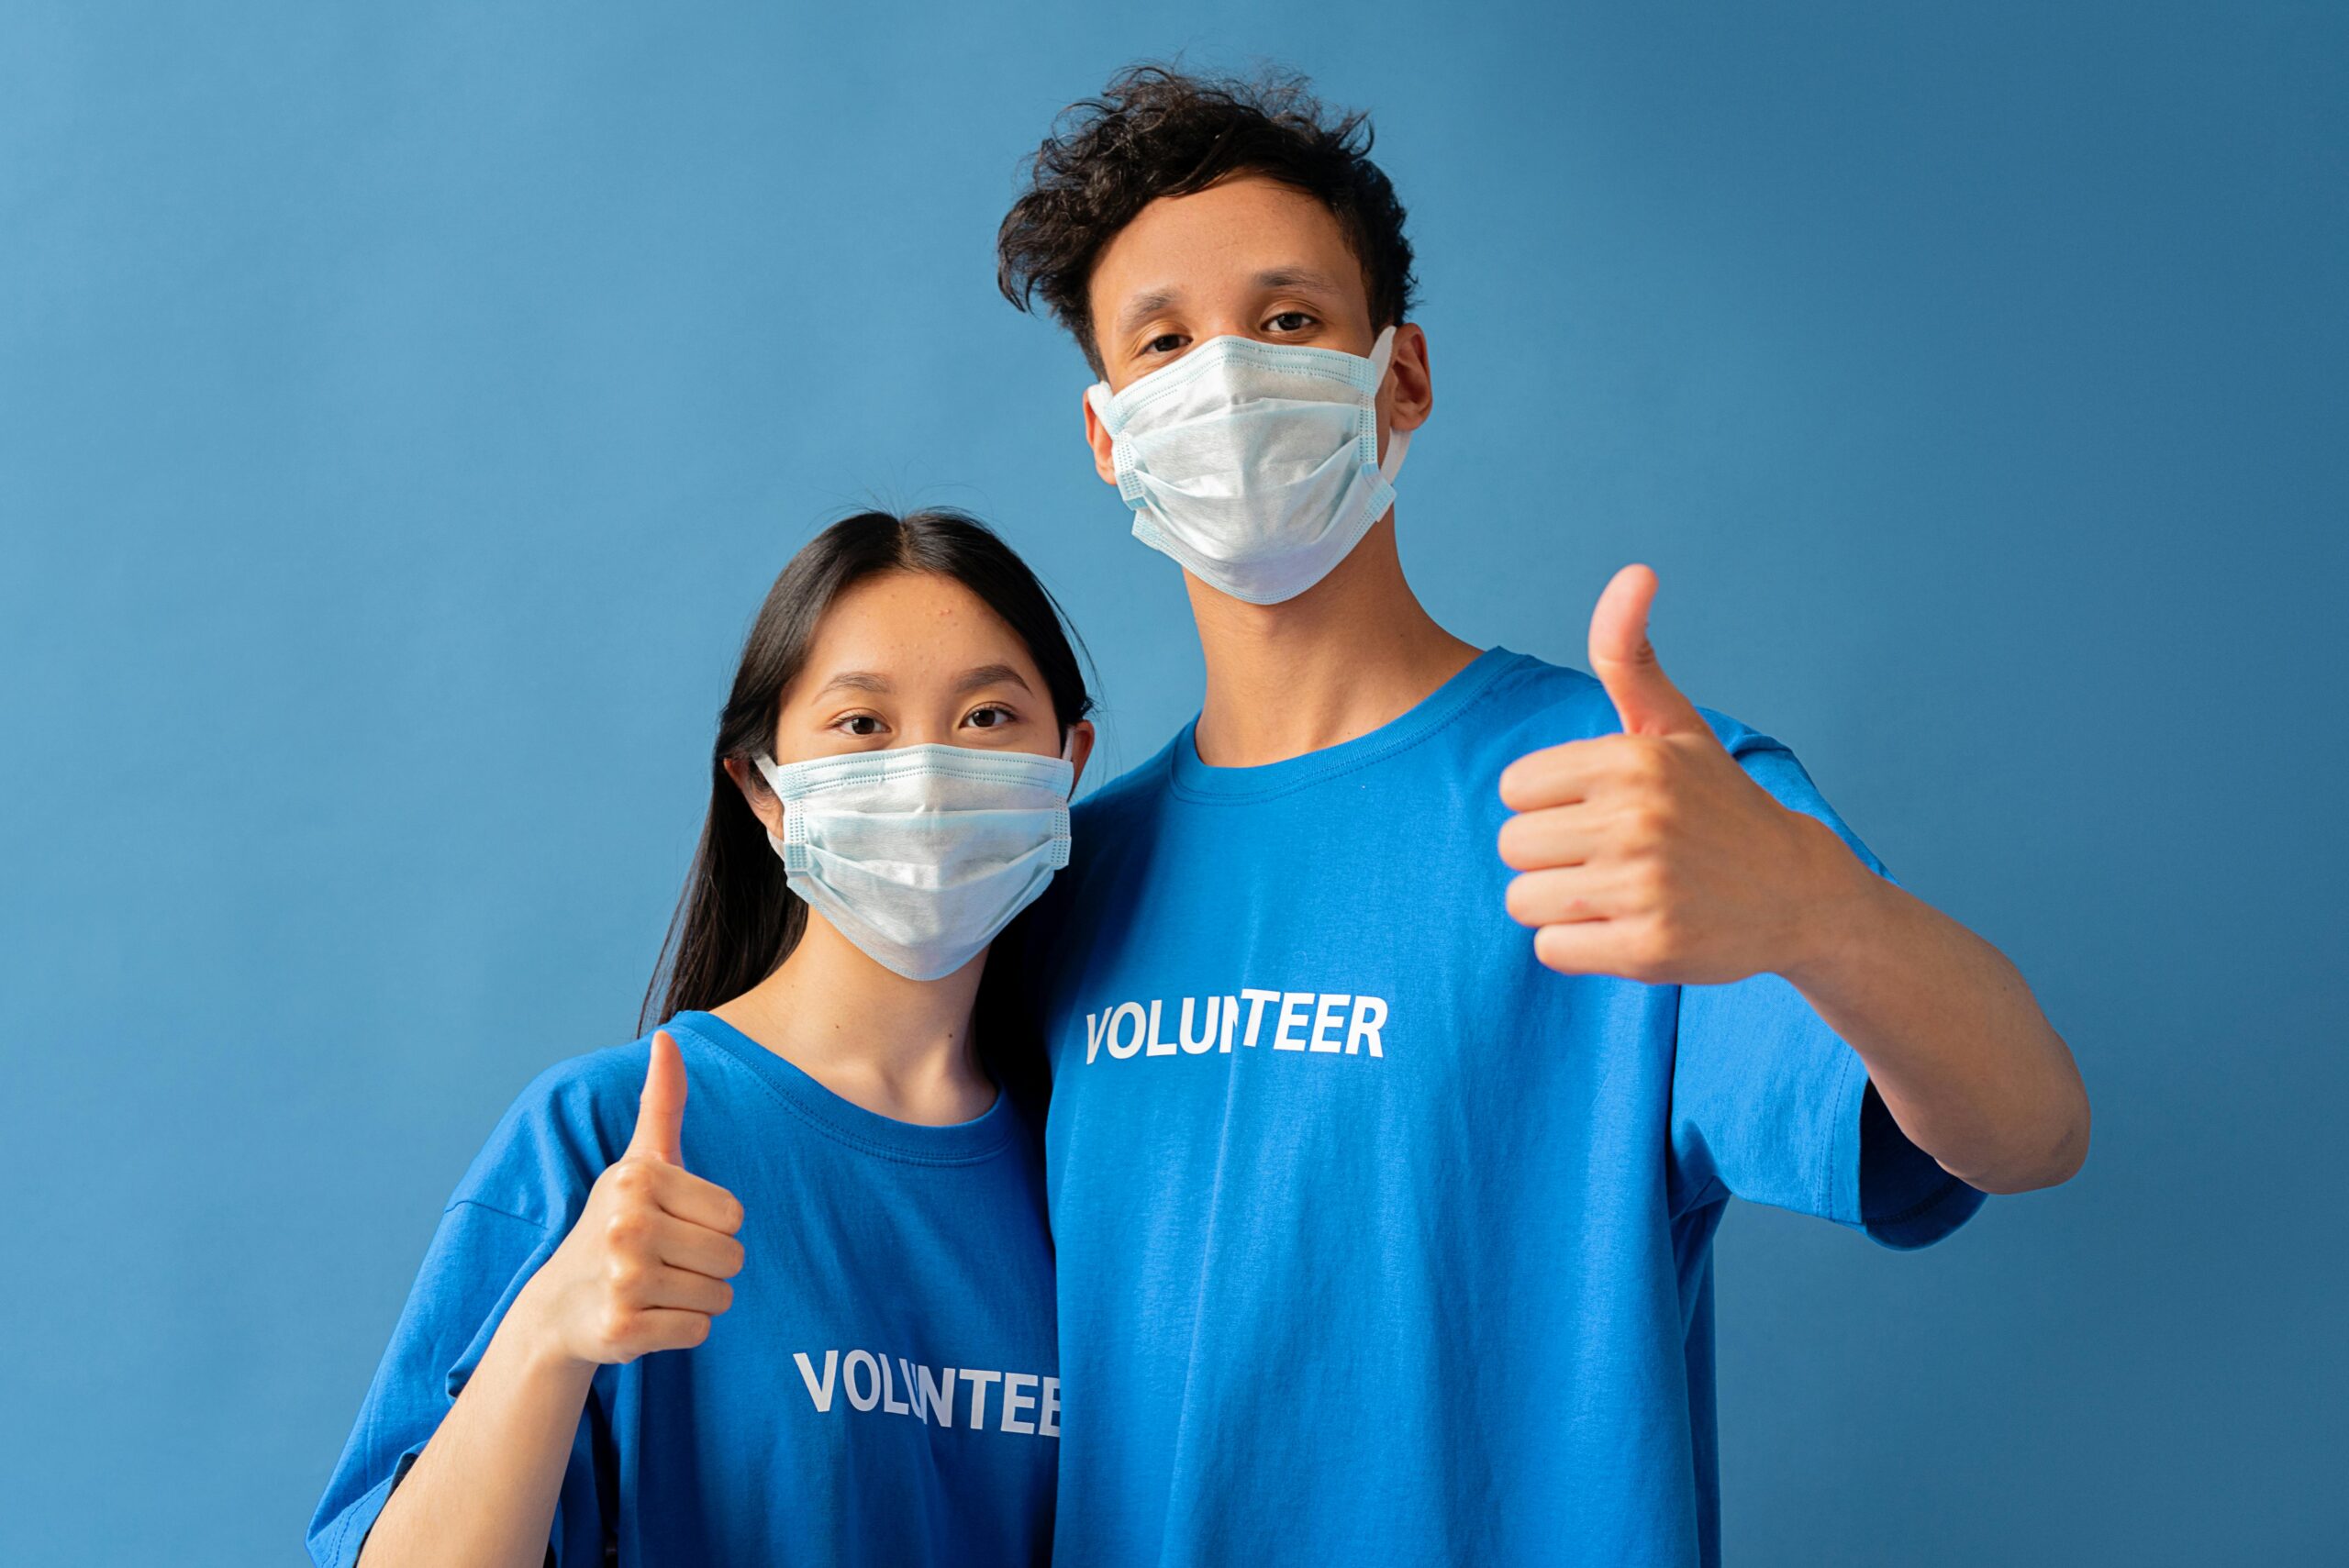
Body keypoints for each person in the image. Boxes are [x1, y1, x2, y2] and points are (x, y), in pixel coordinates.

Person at [991, 66, 2091, 1565]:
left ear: (1405, 374)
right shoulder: (1063, 880)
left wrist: (1817, 904)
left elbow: (2027, 1125)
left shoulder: (1638, 797)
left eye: (1291, 318)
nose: (1229, 379)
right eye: (1166, 342)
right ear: (1111, 434)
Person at [307, 510, 1095, 1568]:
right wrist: (547, 1333)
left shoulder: (1092, 1157)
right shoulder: (603, 1138)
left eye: (988, 715)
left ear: (1068, 762)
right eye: (862, 724)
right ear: (762, 789)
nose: (925, 778)